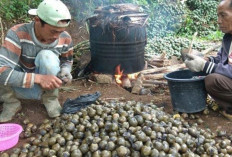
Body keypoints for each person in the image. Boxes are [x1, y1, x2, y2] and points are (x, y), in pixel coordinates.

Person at [0, 0, 73, 122]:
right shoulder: (17, 33)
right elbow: (1, 72)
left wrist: (66, 70)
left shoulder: (65, 38)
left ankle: (50, 99)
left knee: (47, 56)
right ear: (37, 20)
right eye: (53, 31)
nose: (57, 36)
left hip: (44, 88)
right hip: (17, 86)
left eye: (60, 32)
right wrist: (39, 78)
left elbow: (67, 61)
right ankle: (11, 102)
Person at [184, 0, 232, 121]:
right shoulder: (228, 37)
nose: (219, 21)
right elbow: (221, 59)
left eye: (223, 15)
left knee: (212, 80)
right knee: (206, 74)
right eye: (218, 16)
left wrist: (204, 65)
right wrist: (205, 59)